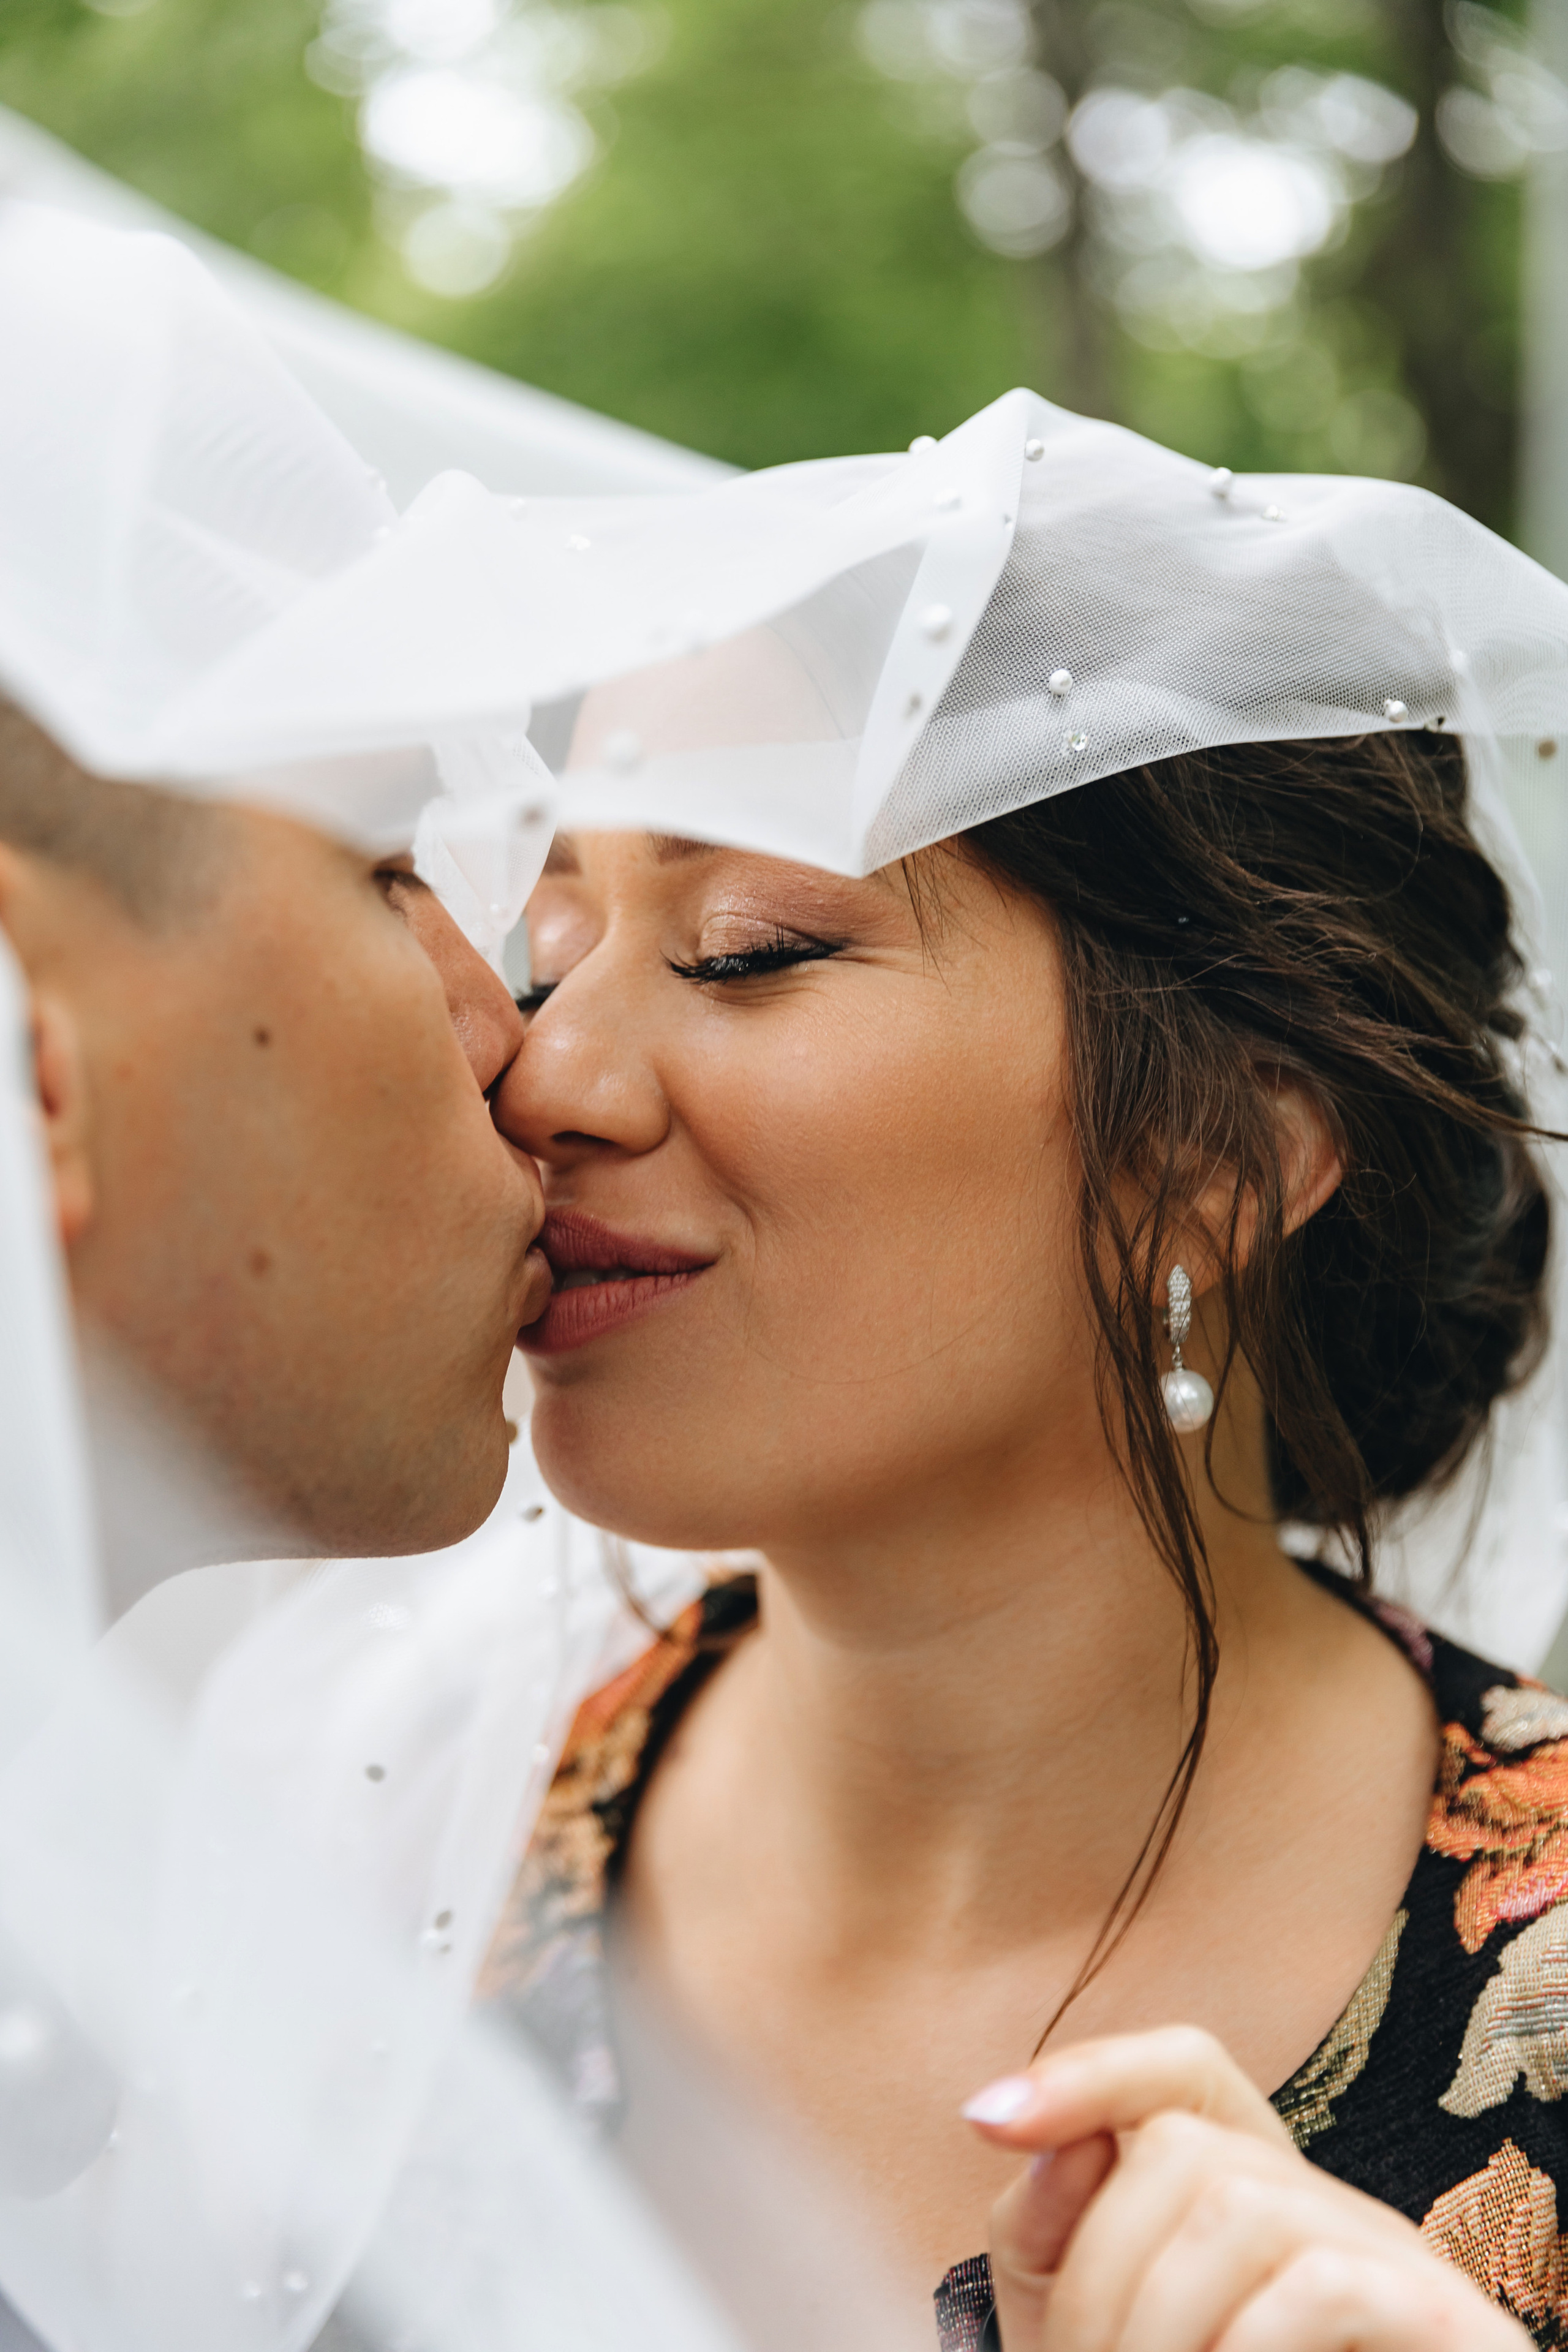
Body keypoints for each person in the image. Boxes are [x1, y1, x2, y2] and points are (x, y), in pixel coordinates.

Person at [475, 395, 1568, 2350]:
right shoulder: (423, 1817)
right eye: (551, 949)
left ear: (1220, 1153)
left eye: (743, 949)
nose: (550, 1077)